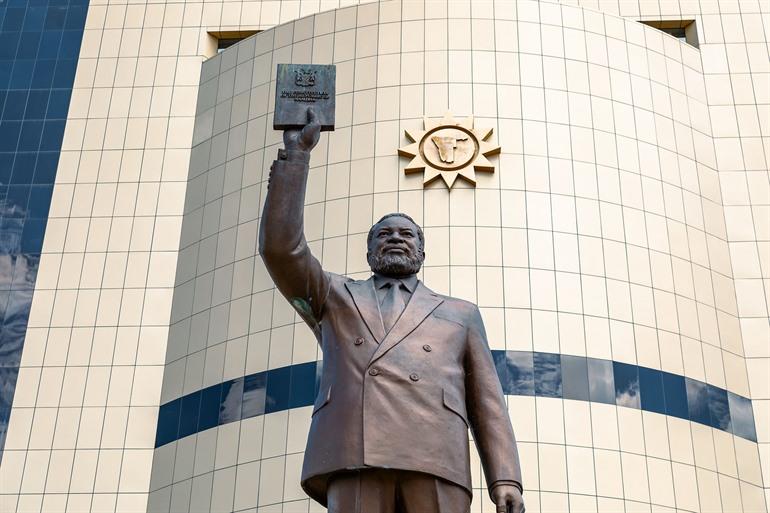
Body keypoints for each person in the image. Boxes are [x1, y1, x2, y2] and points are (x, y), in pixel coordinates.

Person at [259, 108, 524, 513]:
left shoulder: (460, 313)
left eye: (406, 235)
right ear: (369, 251)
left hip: (437, 453)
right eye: (384, 234)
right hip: (355, 450)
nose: (395, 239)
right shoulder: (334, 295)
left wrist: (504, 477)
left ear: (422, 252)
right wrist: (296, 155)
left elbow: (487, 402)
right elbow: (281, 249)